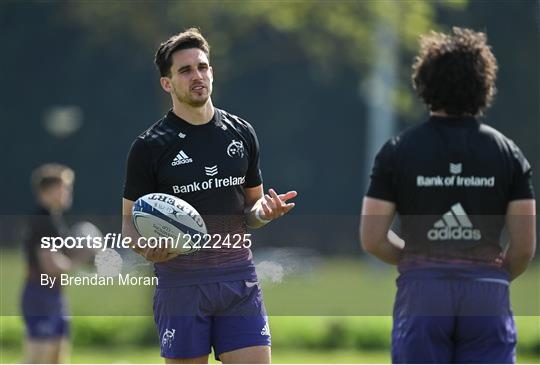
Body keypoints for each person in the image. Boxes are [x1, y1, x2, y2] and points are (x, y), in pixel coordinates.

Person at [360, 27, 536, 363]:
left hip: (423, 292)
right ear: (484, 84)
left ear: (424, 82)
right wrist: (487, 272)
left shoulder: (398, 151)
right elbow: (524, 246)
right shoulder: (507, 153)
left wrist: (420, 261)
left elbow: (372, 239)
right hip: (487, 291)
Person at [122, 28, 297, 364]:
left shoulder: (241, 133)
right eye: (185, 70)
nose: (197, 76)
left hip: (238, 280)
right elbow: (130, 223)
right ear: (167, 83)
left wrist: (265, 211)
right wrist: (148, 249)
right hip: (181, 285)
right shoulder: (149, 147)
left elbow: (251, 209)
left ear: (212, 72)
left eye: (202, 67)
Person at [22, 163, 78, 363]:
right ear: (49, 190)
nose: (67, 193)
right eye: (64, 187)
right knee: (39, 358)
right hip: (40, 295)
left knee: (57, 357)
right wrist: (81, 260)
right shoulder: (43, 220)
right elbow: (51, 265)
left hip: (54, 295)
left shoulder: (54, 219)